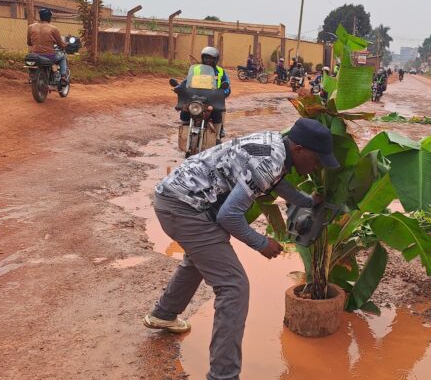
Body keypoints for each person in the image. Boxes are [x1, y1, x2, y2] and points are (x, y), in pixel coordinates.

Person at [144, 118, 339, 380]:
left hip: (178, 199)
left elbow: (276, 182)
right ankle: (223, 375)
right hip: (183, 208)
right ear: (300, 149)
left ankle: (163, 315)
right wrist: (261, 243)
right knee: (234, 286)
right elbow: (229, 216)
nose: (316, 167)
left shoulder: (276, 145)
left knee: (199, 261)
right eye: (316, 160)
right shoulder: (270, 162)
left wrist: (306, 201)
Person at [177, 47, 230, 136]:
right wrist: (179, 87)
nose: (208, 60)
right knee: (185, 110)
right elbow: (187, 81)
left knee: (217, 113)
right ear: (202, 58)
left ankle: (217, 134)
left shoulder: (221, 71)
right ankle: (185, 132)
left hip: (212, 98)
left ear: (216, 60)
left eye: (211, 58)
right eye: (206, 58)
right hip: (195, 97)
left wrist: (223, 93)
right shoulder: (195, 69)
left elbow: (227, 85)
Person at [27, 8, 68, 90]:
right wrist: (66, 45)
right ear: (49, 17)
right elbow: (61, 44)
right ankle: (63, 77)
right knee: (62, 57)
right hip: (49, 56)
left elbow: (29, 43)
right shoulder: (53, 28)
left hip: (35, 55)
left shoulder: (31, 27)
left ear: (40, 17)